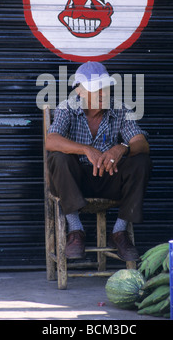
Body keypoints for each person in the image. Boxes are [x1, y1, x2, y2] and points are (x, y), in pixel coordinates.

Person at [46, 61, 152, 262]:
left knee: (141, 161)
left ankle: (120, 232)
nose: (103, 94)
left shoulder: (120, 110)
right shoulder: (67, 108)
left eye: (105, 88)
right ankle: (75, 231)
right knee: (58, 158)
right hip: (76, 184)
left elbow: (142, 143)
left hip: (108, 179)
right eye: (96, 90)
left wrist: (123, 147)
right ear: (80, 92)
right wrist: (86, 149)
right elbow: (51, 140)